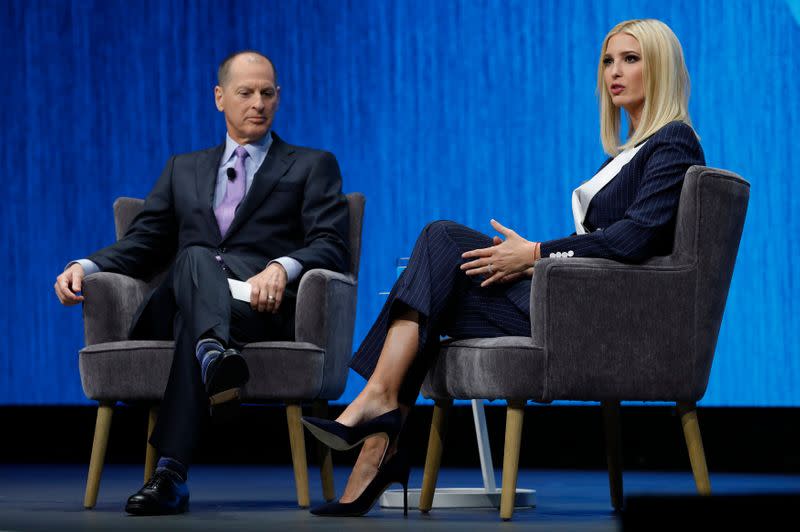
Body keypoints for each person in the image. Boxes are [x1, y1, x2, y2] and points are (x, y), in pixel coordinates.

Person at [301, 18, 705, 517]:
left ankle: (377, 412)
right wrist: (531, 262)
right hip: (574, 300)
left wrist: (533, 255)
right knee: (433, 280)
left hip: (601, 321)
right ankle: (376, 446)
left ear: (661, 67)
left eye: (630, 59)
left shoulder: (674, 142)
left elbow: (632, 238)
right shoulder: (627, 153)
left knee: (442, 239)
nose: (614, 72)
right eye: (607, 61)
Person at [53, 50, 350, 515]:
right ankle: (214, 353)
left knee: (197, 319)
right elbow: (142, 244)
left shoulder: (312, 164)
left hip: (255, 309)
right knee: (193, 257)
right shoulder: (183, 168)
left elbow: (333, 244)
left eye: (267, 93)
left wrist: (282, 266)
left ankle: (170, 472)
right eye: (245, 92)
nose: (258, 103)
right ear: (219, 97)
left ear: (279, 97)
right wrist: (84, 266)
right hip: (178, 300)